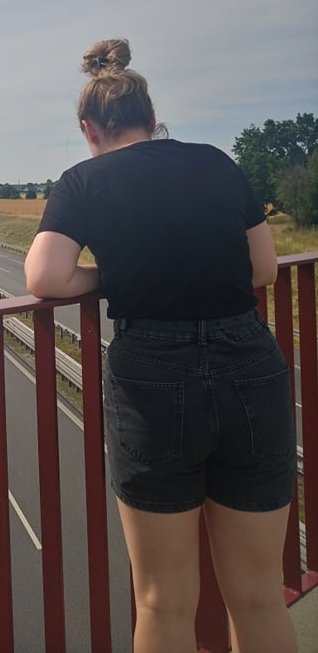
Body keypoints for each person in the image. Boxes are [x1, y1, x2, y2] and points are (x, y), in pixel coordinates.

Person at [24, 38, 297, 653]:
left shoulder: (82, 180)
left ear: (89, 129)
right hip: (250, 361)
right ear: (152, 118)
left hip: (152, 373)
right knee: (258, 595)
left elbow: (45, 277)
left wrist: (117, 276)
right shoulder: (217, 163)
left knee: (163, 602)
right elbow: (263, 268)